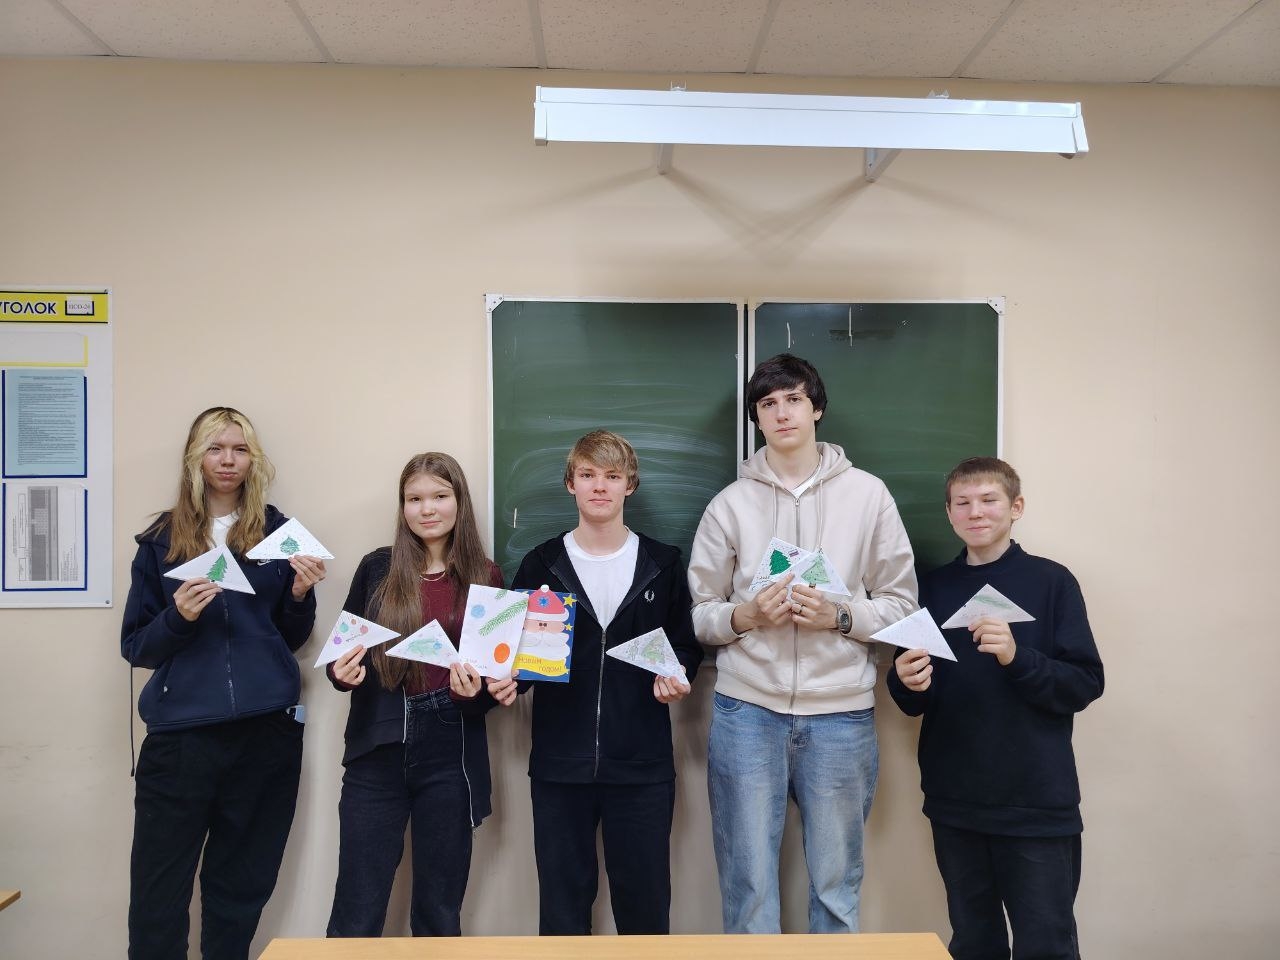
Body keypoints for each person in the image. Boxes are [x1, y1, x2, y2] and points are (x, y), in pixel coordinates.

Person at [687, 353, 917, 934]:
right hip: (747, 711)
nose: (782, 413)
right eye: (768, 404)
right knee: (748, 886)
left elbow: (902, 605)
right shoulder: (729, 504)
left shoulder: (869, 496)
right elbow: (700, 615)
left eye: (793, 399)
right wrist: (745, 616)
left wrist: (841, 617)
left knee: (837, 886)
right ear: (756, 419)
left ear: (816, 408)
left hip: (841, 713)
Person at [121, 406, 325, 960]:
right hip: (180, 738)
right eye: (215, 449)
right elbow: (137, 647)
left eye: (239, 449)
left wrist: (300, 596)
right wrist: (179, 616)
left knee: (241, 888)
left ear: (253, 459)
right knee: (159, 892)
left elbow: (289, 638)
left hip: (265, 734)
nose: (228, 460)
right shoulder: (159, 540)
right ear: (195, 459)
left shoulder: (279, 535)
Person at [887, 457, 1104, 960]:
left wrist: (1016, 657)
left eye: (989, 500)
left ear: (1016, 507)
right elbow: (911, 697)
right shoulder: (930, 588)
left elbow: (1084, 684)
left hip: (1035, 802)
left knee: (1045, 944)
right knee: (973, 942)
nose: (976, 512)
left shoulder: (1052, 582)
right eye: (962, 503)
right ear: (949, 513)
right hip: (955, 799)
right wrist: (905, 682)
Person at [488, 429, 703, 935]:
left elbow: (686, 645)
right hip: (560, 766)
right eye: (587, 475)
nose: (599, 486)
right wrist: (508, 682)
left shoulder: (662, 563)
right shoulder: (542, 564)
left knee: (645, 909)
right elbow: (519, 652)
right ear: (571, 484)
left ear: (631, 485)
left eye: (612, 475)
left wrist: (678, 676)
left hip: (642, 766)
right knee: (562, 911)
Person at [325, 452, 514, 938]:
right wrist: (342, 674)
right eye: (414, 499)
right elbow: (341, 656)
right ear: (402, 506)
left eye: (439, 496)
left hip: (451, 753)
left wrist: (474, 694)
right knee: (357, 910)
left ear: (460, 502)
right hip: (377, 748)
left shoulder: (486, 577)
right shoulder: (377, 568)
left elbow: (490, 686)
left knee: (438, 912)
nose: (427, 509)